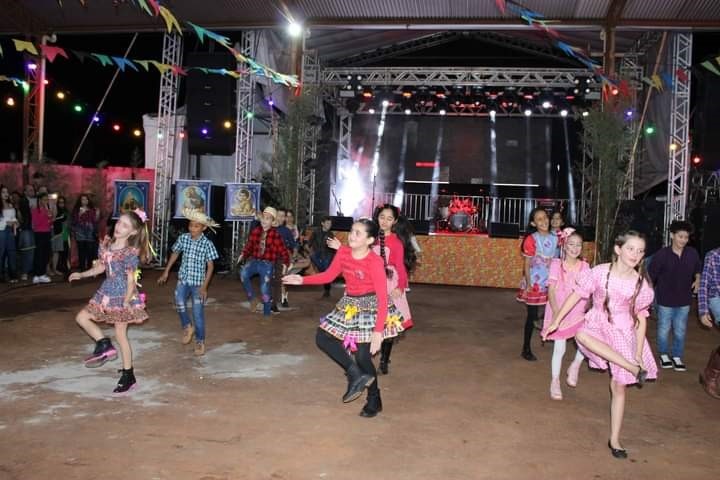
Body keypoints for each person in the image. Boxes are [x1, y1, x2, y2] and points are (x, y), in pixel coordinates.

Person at [544, 230, 657, 459]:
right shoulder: (599, 272)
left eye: (640, 251)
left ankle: (614, 439)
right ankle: (631, 367)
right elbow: (576, 295)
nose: (635, 255)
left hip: (623, 331)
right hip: (597, 324)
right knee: (581, 335)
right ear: (618, 249)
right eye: (630, 249)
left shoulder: (640, 284)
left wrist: (637, 353)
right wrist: (556, 320)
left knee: (619, 386)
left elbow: (640, 320)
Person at [283, 218, 407, 418]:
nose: (351, 235)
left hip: (371, 307)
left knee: (362, 356)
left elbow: (383, 298)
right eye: (351, 231)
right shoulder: (343, 253)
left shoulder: (374, 261)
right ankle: (354, 373)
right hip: (349, 305)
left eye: (358, 233)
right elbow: (328, 276)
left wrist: (378, 332)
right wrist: (302, 279)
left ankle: (374, 399)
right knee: (322, 337)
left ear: (370, 240)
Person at [69, 210, 150, 394]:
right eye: (119, 222)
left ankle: (128, 375)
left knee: (121, 335)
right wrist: (81, 274)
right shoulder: (107, 245)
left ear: (133, 232)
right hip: (106, 291)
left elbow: (131, 280)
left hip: (122, 294)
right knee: (82, 317)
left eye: (125, 226)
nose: (119, 227)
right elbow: (100, 267)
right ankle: (104, 344)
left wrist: (127, 301)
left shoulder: (130, 253)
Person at [158, 209, 220, 356]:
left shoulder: (207, 244)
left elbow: (211, 267)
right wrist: (166, 271)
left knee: (198, 314)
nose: (192, 228)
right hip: (184, 279)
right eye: (191, 225)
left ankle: (200, 341)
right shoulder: (184, 238)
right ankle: (187, 326)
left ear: (204, 228)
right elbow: (175, 253)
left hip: (198, 284)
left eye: (196, 226)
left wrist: (204, 287)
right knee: (179, 301)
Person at [540, 228, 590, 400]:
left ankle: (575, 364)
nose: (575, 248)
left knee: (586, 342)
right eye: (571, 244)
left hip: (578, 309)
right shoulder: (556, 264)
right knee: (559, 348)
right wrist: (556, 314)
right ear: (564, 245)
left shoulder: (585, 266)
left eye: (579, 245)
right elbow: (551, 290)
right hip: (559, 307)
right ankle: (555, 381)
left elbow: (588, 289)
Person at [647, 220, 701, 372]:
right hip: (665, 299)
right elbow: (650, 275)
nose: (683, 240)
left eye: (686, 237)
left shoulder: (692, 253)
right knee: (663, 329)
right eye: (680, 236)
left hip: (684, 300)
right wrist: (649, 292)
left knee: (680, 330)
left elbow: (698, 269)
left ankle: (677, 356)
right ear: (672, 235)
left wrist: (697, 279)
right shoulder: (662, 254)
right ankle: (663, 354)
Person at [372, 204, 416, 375]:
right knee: (368, 322)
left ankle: (384, 360)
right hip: (371, 283)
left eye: (389, 219)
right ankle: (363, 360)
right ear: (377, 217)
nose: (384, 221)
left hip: (389, 284)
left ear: (395, 221)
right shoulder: (370, 237)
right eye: (382, 217)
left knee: (389, 324)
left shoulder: (396, 242)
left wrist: (400, 287)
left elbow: (400, 267)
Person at [517, 207, 558, 361]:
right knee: (532, 315)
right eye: (539, 219)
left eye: (545, 217)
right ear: (533, 223)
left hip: (551, 281)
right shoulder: (531, 239)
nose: (544, 221)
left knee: (554, 309)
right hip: (535, 282)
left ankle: (553, 336)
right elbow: (527, 264)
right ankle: (526, 348)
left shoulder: (556, 237)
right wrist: (528, 284)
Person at [237, 207, 289, 316]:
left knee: (264, 288)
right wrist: (243, 254)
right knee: (243, 274)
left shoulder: (275, 235)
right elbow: (249, 245)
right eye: (263, 218)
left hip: (267, 265)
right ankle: (252, 299)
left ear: (272, 222)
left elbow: (283, 250)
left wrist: (285, 263)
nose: (264, 221)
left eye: (268, 219)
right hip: (255, 261)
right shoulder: (256, 231)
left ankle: (267, 313)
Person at [698, 246, 720, 399]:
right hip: (717, 298)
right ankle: (711, 375)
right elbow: (704, 284)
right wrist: (703, 310)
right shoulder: (713, 255)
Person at [309, 216, 336, 298]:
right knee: (323, 271)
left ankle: (327, 289)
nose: (329, 225)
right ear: (322, 223)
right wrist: (310, 252)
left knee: (326, 272)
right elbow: (309, 242)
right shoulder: (316, 232)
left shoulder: (331, 234)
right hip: (317, 254)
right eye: (327, 223)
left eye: (330, 224)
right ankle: (326, 285)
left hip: (327, 255)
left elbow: (333, 247)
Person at [72, 194, 100, 271]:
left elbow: (95, 221)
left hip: (90, 231)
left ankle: (89, 268)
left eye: (86, 199)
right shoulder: (76, 210)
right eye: (83, 199)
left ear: (88, 200)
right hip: (80, 232)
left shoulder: (92, 209)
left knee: (90, 251)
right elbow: (74, 221)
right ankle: (82, 268)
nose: (84, 201)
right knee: (81, 251)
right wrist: (80, 214)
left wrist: (97, 215)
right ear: (80, 201)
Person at [30, 192, 53, 284]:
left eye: (47, 200)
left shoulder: (47, 210)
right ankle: (37, 275)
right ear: (39, 200)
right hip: (39, 233)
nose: (46, 201)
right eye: (44, 199)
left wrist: (50, 219)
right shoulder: (35, 210)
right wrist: (46, 216)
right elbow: (36, 223)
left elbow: (49, 223)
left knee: (46, 254)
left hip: (47, 233)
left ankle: (42, 274)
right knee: (39, 254)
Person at [17, 184, 36, 281]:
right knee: (26, 250)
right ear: (25, 192)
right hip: (26, 228)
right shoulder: (23, 201)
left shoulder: (36, 201)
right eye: (30, 190)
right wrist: (31, 209)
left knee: (32, 251)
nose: (32, 191)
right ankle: (24, 272)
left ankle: (29, 270)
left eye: (33, 190)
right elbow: (24, 214)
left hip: (34, 229)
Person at [0, 186, 19, 283]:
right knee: (1, 253)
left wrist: (16, 222)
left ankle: (13, 275)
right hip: (1, 231)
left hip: (10, 231)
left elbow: (13, 217)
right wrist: (6, 222)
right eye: (3, 192)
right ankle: (1, 275)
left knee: (12, 252)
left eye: (7, 192)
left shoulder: (10, 205)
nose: (6, 194)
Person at [50, 195, 70, 277]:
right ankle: (56, 268)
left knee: (65, 251)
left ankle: (64, 267)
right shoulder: (55, 211)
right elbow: (54, 221)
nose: (61, 204)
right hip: (57, 233)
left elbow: (67, 221)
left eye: (63, 202)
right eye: (60, 202)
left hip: (65, 233)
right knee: (57, 252)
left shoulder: (66, 211)